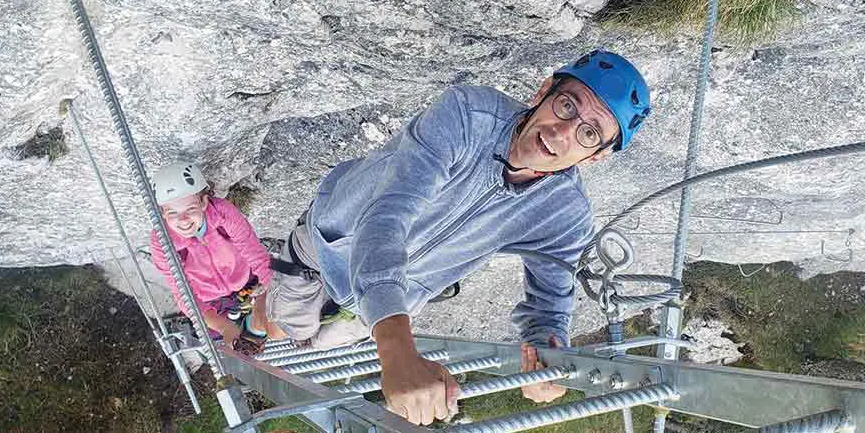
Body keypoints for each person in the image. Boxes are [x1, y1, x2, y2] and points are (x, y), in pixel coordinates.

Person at [266, 49, 650, 424]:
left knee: (313, 348)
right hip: (326, 250)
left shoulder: (564, 214)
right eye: (567, 105)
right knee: (281, 328)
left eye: (588, 133)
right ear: (542, 91)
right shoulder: (468, 115)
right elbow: (387, 214)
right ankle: (256, 317)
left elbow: (550, 305)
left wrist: (548, 349)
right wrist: (396, 349)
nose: (562, 132)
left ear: (595, 156)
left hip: (393, 300)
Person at [149, 162, 286, 353]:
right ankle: (248, 323)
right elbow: (182, 292)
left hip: (245, 283)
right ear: (163, 213)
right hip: (211, 299)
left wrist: (268, 296)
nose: (183, 220)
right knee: (221, 338)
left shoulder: (222, 213)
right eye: (172, 213)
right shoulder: (162, 241)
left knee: (276, 329)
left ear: (204, 202)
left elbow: (255, 254)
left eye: (190, 209)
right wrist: (222, 327)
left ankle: (253, 321)